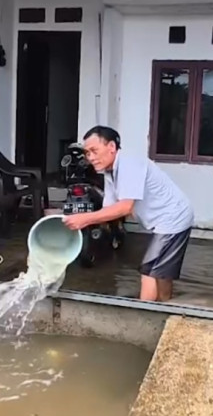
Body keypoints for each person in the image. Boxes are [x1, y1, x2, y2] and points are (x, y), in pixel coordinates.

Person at [61, 126, 194, 302]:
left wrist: (84, 219)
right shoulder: (110, 171)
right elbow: (109, 208)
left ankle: (142, 316)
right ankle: (166, 305)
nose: (90, 157)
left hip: (173, 217)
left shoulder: (129, 163)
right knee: (161, 272)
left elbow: (125, 207)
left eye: (94, 151)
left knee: (149, 270)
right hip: (165, 219)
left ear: (111, 147)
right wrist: (71, 222)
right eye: (87, 153)